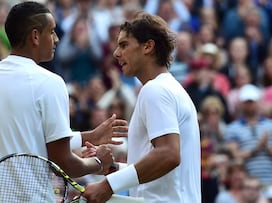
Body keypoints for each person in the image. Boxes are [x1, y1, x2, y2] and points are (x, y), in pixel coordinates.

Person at [0, 2, 127, 203]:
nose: (57, 39)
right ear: (35, 36)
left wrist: (89, 136)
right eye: (51, 32)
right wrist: (99, 162)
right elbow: (64, 162)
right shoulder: (49, 82)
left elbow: (28, 136)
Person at [83, 12, 201, 203]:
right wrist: (113, 168)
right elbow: (161, 171)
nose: (116, 53)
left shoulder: (155, 90)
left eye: (124, 45)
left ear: (148, 46)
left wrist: (108, 185)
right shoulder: (171, 89)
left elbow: (168, 155)